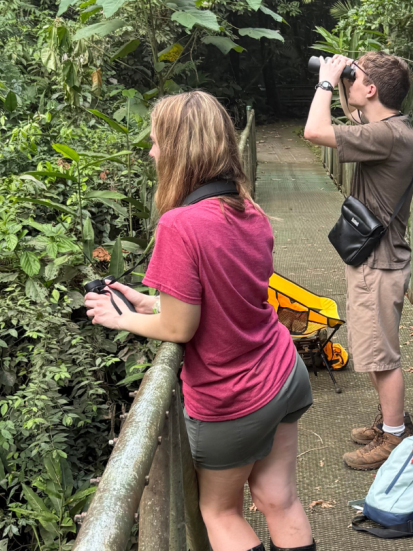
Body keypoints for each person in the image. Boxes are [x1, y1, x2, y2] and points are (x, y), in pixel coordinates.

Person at [85, 91, 315, 551]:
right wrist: (149, 302)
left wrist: (120, 318)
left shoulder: (180, 224)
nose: (151, 152)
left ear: (177, 149)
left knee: (219, 513)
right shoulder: (250, 211)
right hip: (284, 373)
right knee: (279, 499)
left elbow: (180, 329)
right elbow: (224, 296)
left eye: (155, 142)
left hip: (234, 398)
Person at [303, 52, 413, 471]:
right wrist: (347, 81)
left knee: (381, 357)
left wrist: (328, 81)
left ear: (370, 89)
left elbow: (314, 132)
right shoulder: (389, 129)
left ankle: (395, 437)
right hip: (377, 259)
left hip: (379, 263)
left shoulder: (386, 135)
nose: (350, 80)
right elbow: (350, 116)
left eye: (358, 77)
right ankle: (391, 423)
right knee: (372, 351)